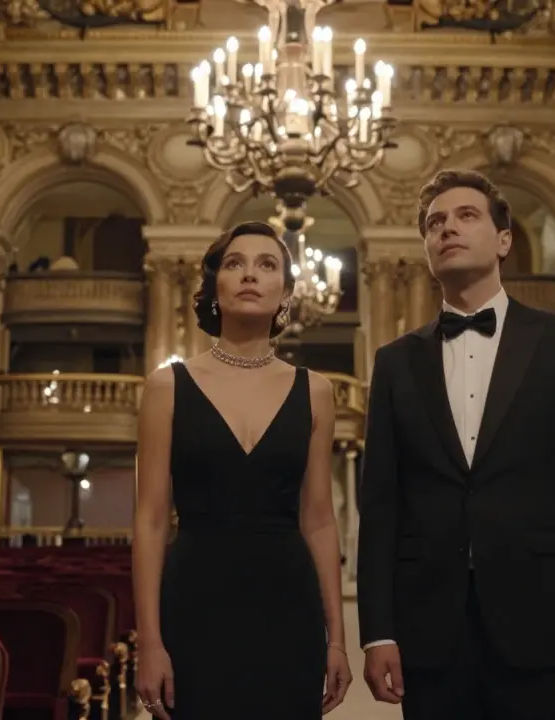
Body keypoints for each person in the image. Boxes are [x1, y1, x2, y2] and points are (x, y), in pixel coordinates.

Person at [357, 170, 555, 720]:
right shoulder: (394, 362)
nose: (447, 229)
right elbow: (380, 505)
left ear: (504, 240)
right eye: (435, 223)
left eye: (465, 216)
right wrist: (377, 633)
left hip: (543, 628)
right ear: (427, 250)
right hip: (429, 631)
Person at [132, 221, 353, 719]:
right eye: (235, 264)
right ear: (215, 288)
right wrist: (149, 642)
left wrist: (336, 639)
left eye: (267, 264)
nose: (250, 274)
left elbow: (318, 519)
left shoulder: (316, 391)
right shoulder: (167, 386)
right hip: (195, 599)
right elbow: (148, 520)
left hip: (288, 604)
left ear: (286, 295)